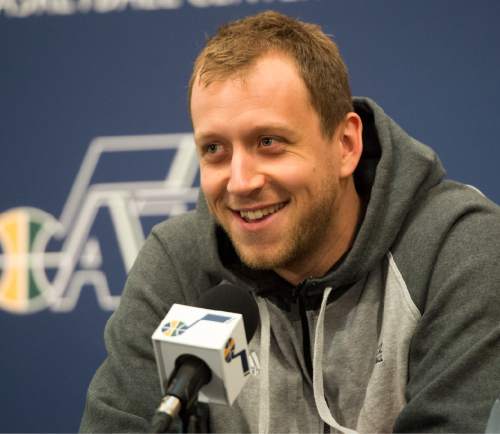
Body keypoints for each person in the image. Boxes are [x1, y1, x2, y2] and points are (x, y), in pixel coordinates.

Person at [80, 10, 500, 433]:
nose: (241, 182)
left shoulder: (456, 250)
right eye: (214, 150)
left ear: (345, 144)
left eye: (268, 142)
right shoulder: (181, 267)